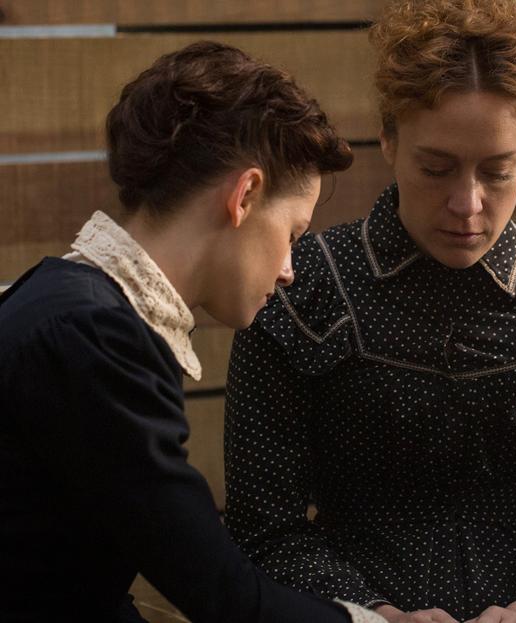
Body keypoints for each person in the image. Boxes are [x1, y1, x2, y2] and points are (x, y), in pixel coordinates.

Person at [224, 1, 516, 622]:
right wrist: (374, 614)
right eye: (436, 168)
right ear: (387, 138)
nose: (467, 206)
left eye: (498, 172)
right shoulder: (299, 294)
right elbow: (264, 534)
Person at [0, 40, 389, 623]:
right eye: (294, 232)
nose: (288, 269)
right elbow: (221, 594)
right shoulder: (94, 337)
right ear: (246, 195)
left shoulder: (66, 302)